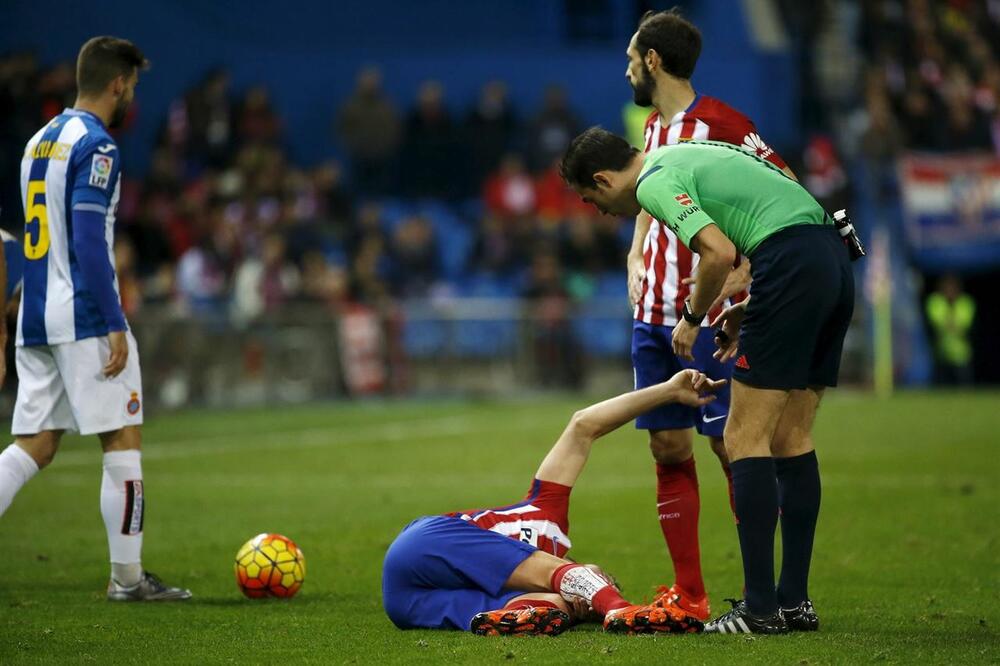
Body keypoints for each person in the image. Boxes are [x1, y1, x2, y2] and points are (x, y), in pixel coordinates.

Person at [560, 129, 855, 634]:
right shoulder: (684, 153)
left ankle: (760, 608)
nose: (601, 212)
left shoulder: (655, 181)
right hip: (831, 257)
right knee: (791, 438)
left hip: (789, 262)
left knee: (743, 438)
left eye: (593, 199)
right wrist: (748, 307)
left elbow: (716, 252)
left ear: (604, 178)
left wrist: (693, 317)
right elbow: (779, 212)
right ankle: (793, 602)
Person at [620, 8, 796, 623]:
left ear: (653, 61)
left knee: (731, 448)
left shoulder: (721, 123)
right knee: (668, 448)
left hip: (709, 315)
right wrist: (638, 249)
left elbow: (785, 184)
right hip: (653, 315)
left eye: (630, 57)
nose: (626, 68)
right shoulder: (651, 128)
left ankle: (767, 594)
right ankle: (689, 596)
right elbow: (649, 194)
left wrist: (746, 267)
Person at [0, 37, 191, 601]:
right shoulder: (99, 145)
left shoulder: (39, 141)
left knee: (33, 445)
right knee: (122, 439)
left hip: (35, 314)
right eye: (131, 85)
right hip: (83, 315)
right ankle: (128, 580)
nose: (132, 94)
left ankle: (128, 577)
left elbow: (37, 233)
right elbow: (85, 234)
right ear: (116, 83)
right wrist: (113, 320)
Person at [382, 370, 725, 636]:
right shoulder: (548, 513)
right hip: (428, 543)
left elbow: (564, 591)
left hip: (406, 602)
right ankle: (620, 608)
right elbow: (583, 425)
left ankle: (533, 619)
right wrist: (667, 391)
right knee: (561, 579)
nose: (588, 601)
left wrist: (569, 610)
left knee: (550, 608)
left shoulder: (555, 591)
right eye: (601, 580)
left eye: (589, 608)